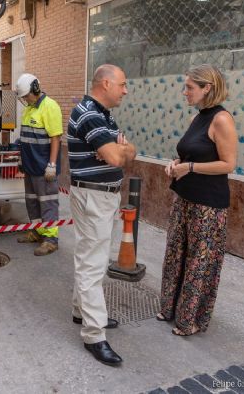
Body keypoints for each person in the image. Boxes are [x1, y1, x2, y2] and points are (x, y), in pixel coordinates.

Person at [157, 64, 238, 337]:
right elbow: (193, 154)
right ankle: (170, 309)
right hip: (184, 197)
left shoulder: (222, 119)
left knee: (198, 263)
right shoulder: (198, 118)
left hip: (208, 205)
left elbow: (228, 164)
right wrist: (177, 162)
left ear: (207, 89)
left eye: (190, 88)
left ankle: (190, 319)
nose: (185, 92)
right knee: (175, 254)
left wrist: (189, 168)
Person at [67, 64, 136, 366]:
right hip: (94, 196)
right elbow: (115, 157)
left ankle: (80, 310)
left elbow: (128, 152)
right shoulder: (90, 114)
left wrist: (122, 150)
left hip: (100, 196)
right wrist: (116, 151)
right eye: (122, 84)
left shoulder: (103, 115)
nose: (125, 90)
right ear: (106, 83)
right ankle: (94, 334)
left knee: (88, 257)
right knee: (92, 265)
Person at [14, 73, 63, 256]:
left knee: (47, 202)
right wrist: (21, 159)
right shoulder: (29, 109)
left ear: (35, 89)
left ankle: (51, 239)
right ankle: (36, 231)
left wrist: (52, 164)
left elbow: (55, 138)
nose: (26, 100)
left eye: (27, 96)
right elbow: (25, 138)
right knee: (32, 201)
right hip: (30, 165)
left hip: (44, 167)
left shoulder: (50, 107)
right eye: (23, 97)